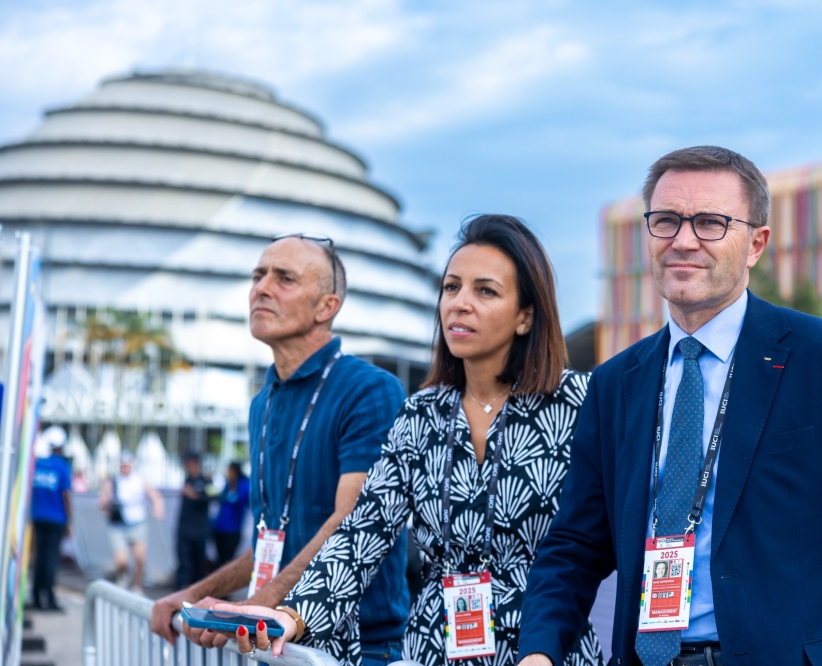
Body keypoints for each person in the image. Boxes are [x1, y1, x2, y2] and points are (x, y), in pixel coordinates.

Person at [513, 146, 822, 666]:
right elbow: (575, 543)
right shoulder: (615, 383)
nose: (683, 240)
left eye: (710, 222)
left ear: (756, 244)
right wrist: (539, 650)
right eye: (666, 221)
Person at [218, 215, 605, 666]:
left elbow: (600, 541)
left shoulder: (578, 404)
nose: (459, 304)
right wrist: (289, 615)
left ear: (525, 316)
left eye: (486, 291)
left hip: (545, 651)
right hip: (434, 650)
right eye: (451, 287)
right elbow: (363, 530)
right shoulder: (421, 414)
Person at [150, 234, 410, 666]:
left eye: (284, 278)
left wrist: (258, 604)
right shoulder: (262, 403)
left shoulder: (370, 390)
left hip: (357, 648)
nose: (262, 288)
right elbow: (272, 540)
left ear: (327, 306)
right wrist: (192, 594)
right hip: (279, 643)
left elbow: (351, 523)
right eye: (258, 275)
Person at [98, 451, 165, 594]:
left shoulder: (140, 479)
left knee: (140, 559)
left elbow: (155, 496)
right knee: (121, 560)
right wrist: (105, 504)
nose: (125, 468)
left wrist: (157, 508)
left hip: (137, 523)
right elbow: (103, 500)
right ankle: (123, 578)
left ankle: (137, 587)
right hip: (119, 524)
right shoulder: (113, 481)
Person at [29, 426, 72, 611]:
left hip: (38, 517)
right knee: (51, 560)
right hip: (56, 519)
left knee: (39, 558)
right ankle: (49, 598)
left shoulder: (38, 464)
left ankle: (37, 596)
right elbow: (66, 496)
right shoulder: (62, 467)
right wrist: (69, 521)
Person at [176, 451, 212, 588]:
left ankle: (198, 594)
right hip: (185, 531)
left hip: (200, 532)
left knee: (199, 566)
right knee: (184, 565)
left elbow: (214, 498)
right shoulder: (186, 480)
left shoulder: (206, 482)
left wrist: (195, 495)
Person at [211, 461, 250, 568]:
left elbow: (247, 501)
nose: (228, 473)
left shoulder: (244, 485)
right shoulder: (227, 485)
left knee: (229, 560)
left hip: (233, 530)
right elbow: (219, 500)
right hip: (219, 528)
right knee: (220, 559)